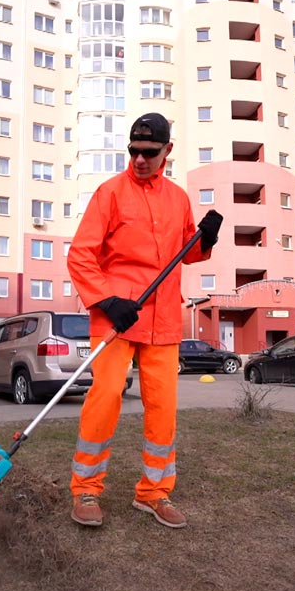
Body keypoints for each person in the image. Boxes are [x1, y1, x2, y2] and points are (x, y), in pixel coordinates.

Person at [66, 112, 223, 529]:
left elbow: (188, 251)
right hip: (115, 317)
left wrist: (206, 237)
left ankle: (153, 493)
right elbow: (80, 255)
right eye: (133, 151)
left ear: (167, 150)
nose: (139, 159)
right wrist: (105, 298)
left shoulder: (177, 198)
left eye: (149, 152)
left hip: (164, 318)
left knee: (162, 407)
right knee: (106, 397)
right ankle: (85, 488)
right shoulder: (110, 193)